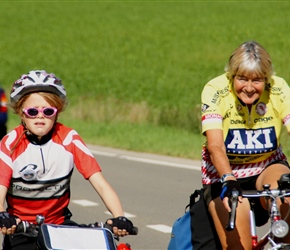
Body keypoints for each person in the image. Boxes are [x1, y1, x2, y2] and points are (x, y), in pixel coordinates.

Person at [0, 70, 135, 249]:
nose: (40, 116)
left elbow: (100, 183)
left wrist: (120, 217)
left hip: (59, 227)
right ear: (21, 113)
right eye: (32, 111)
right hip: (20, 229)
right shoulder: (9, 144)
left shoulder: (69, 138)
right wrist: (2, 216)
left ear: (57, 113)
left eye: (48, 111)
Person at [201, 41, 290, 249]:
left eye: (257, 80)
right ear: (232, 76)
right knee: (239, 245)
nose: (249, 88)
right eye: (242, 79)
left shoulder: (278, 88)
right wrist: (228, 179)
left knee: (287, 199)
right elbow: (215, 145)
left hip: (266, 166)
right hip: (226, 174)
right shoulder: (215, 90)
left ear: (266, 79)